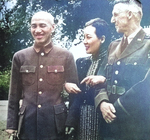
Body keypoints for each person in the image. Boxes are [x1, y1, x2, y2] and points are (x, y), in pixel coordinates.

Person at [6, 11, 80, 140]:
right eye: (33, 26)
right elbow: (14, 95)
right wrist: (12, 124)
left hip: (56, 126)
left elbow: (75, 93)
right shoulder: (20, 56)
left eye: (42, 25)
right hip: (27, 125)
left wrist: (71, 122)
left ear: (52, 27)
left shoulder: (65, 56)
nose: (37, 30)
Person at [95, 0, 150, 139]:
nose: (112, 20)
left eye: (115, 15)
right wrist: (103, 102)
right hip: (109, 124)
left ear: (130, 14)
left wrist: (117, 107)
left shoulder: (148, 44)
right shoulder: (113, 46)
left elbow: (147, 85)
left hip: (137, 125)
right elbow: (100, 78)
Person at [65, 18, 110, 140]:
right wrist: (71, 121)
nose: (84, 41)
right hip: (81, 122)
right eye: (83, 37)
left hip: (103, 123)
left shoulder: (112, 63)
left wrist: (104, 80)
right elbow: (76, 97)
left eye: (88, 37)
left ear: (102, 39)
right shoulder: (81, 63)